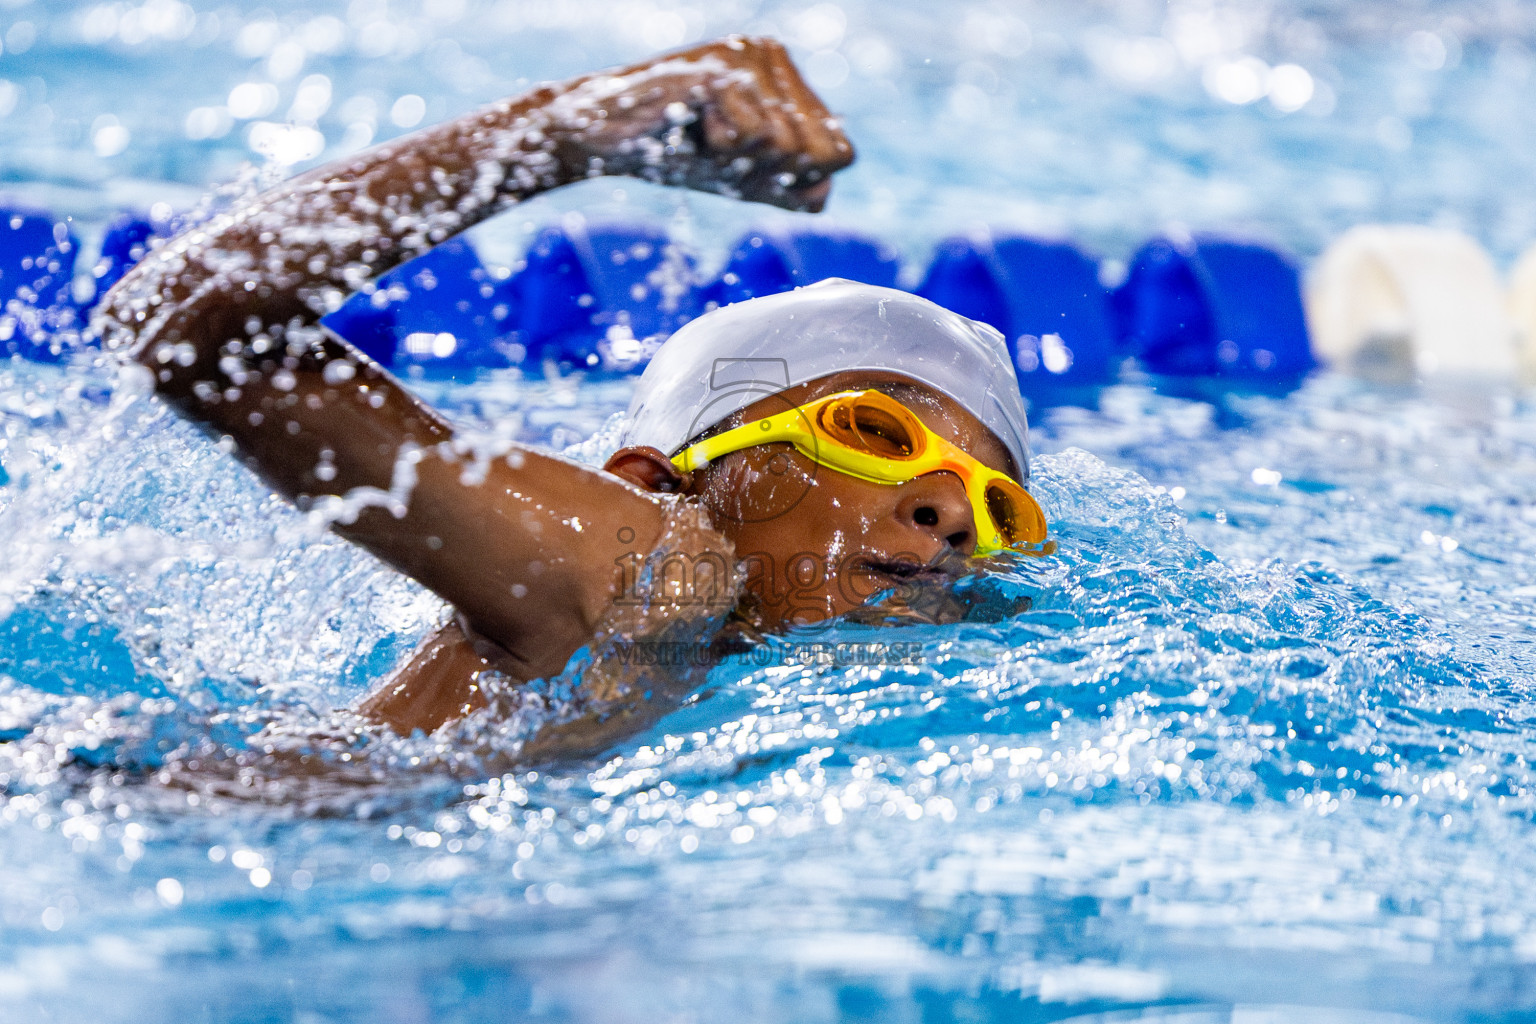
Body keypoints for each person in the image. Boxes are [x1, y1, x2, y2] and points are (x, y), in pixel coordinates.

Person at [99, 37, 1050, 763]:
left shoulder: (741, 679)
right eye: (874, 431)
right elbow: (182, 321)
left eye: (995, 502)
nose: (953, 511)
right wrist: (565, 135)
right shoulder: (656, 568)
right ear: (658, 479)